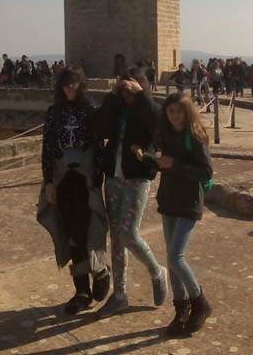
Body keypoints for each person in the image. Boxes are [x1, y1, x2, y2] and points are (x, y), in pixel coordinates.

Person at [37, 67, 110, 315]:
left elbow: (98, 146)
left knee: (90, 230)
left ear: (81, 85)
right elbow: (48, 147)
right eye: (66, 82)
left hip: (84, 180)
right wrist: (48, 181)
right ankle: (82, 292)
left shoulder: (89, 110)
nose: (70, 87)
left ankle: (100, 272)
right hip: (62, 181)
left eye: (74, 82)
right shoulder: (54, 112)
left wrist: (97, 179)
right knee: (69, 234)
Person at [95, 67, 168, 317]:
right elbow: (100, 129)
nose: (127, 94)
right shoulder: (116, 107)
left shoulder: (149, 107)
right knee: (116, 238)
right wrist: (112, 97)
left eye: (131, 89)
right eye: (124, 89)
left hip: (137, 177)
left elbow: (160, 127)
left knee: (128, 233)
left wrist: (141, 96)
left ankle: (157, 272)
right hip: (113, 177)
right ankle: (119, 295)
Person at [152, 92, 214, 336]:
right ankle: (181, 310)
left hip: (189, 202)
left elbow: (206, 171)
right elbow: (163, 163)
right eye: (171, 111)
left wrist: (174, 164)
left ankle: (200, 302)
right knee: (171, 259)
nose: (175, 115)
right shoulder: (166, 135)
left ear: (187, 112)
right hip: (169, 200)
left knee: (176, 257)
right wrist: (151, 159)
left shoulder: (196, 136)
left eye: (179, 111)